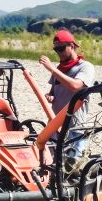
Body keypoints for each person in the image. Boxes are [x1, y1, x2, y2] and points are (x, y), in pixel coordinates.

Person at [39, 29, 95, 160]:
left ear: (72, 46)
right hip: (55, 123)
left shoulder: (85, 67)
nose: (59, 52)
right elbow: (53, 91)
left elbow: (76, 86)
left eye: (61, 48)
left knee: (74, 163)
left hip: (75, 126)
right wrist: (50, 96)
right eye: (56, 49)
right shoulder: (59, 69)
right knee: (50, 161)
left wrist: (51, 68)